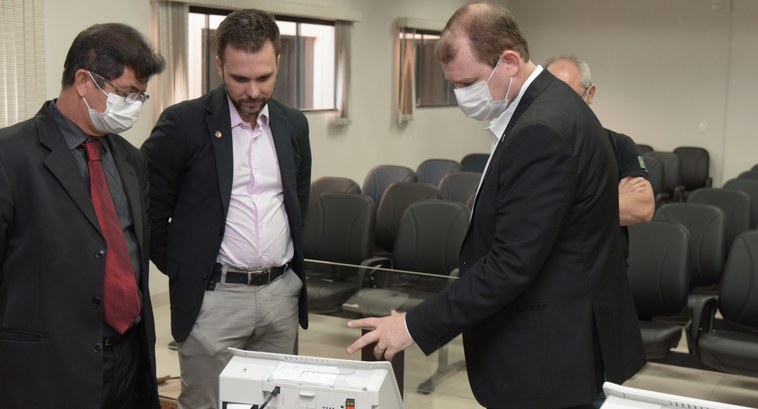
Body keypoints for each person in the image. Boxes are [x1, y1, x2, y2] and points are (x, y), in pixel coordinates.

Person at [346, 2, 646, 408]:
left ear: (508, 61)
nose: (461, 97)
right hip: (562, 338)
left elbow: (511, 262)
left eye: (468, 82)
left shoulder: (540, 128)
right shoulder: (551, 104)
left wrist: (413, 326)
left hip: (549, 352)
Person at [140, 9, 311, 409]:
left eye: (264, 77)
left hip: (279, 295)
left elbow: (297, 204)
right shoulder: (182, 124)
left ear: (279, 63)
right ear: (219, 66)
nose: (253, 91)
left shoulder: (293, 125)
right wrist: (187, 269)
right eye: (240, 79)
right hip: (213, 298)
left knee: (278, 403)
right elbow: (147, 212)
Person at [0, 23, 165, 408]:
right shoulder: (10, 157)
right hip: (46, 369)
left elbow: (131, 254)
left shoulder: (129, 160)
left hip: (129, 358)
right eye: (125, 93)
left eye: (140, 97)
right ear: (83, 81)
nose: (132, 107)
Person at [545, 54, 654, 254]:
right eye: (550, 97)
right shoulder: (532, 146)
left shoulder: (620, 145)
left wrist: (560, 208)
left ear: (590, 94)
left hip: (605, 267)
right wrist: (614, 198)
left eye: (569, 96)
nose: (559, 107)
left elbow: (642, 208)